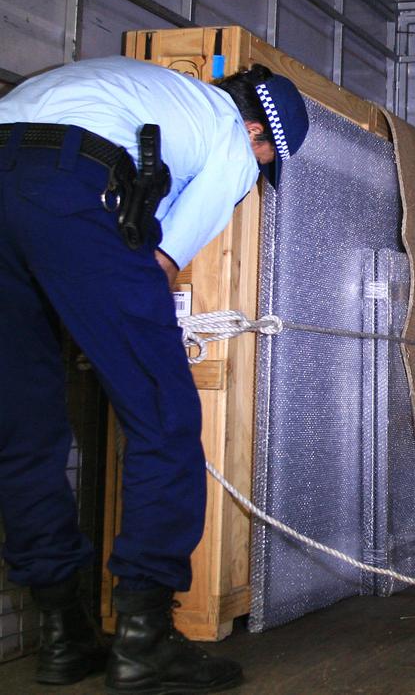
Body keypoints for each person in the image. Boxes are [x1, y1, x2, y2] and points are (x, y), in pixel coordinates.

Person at [0, 56, 309, 693]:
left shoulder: (155, 93)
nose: (256, 176)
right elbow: (164, 261)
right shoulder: (232, 137)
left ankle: (64, 635)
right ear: (261, 136)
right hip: (68, 182)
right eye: (266, 165)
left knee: (21, 425)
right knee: (163, 415)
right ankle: (145, 639)